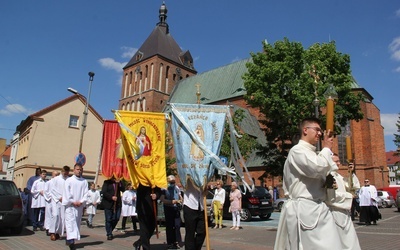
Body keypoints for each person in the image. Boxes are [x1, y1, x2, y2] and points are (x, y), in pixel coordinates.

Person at [274, 117, 341, 250]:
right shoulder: (297, 151)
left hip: (318, 208)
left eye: (320, 131)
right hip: (305, 208)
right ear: (305, 130)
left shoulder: (312, 153)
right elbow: (316, 168)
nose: (320, 133)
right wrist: (327, 149)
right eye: (317, 130)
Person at [325, 153, 361, 250]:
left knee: (350, 242)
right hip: (334, 212)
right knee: (339, 242)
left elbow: (351, 187)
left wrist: (351, 173)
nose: (339, 163)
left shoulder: (338, 176)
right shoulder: (328, 176)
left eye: (339, 161)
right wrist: (349, 197)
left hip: (344, 213)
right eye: (336, 161)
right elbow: (330, 197)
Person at [62, 163, 88, 250]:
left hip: (79, 207)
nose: (79, 171)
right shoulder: (69, 180)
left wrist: (81, 202)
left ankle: (70, 238)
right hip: (70, 206)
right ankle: (71, 242)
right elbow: (66, 192)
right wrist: (72, 201)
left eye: (80, 169)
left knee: (76, 223)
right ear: (74, 170)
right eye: (77, 169)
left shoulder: (84, 181)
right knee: (70, 223)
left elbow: (86, 194)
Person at [133, 184, 161, 250]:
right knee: (144, 229)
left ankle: (138, 242)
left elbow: (159, 191)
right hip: (142, 208)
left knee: (152, 227)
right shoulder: (140, 182)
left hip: (152, 208)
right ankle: (146, 247)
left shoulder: (154, 182)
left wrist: (156, 195)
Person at [160, 175, 183, 249]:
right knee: (169, 226)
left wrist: (180, 201)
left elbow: (180, 196)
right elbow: (162, 199)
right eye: (171, 182)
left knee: (177, 226)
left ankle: (177, 241)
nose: (172, 183)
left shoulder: (177, 188)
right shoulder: (164, 188)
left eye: (173, 182)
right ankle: (170, 242)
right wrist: (171, 201)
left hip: (176, 209)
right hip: (168, 208)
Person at [182, 179, 206, 250]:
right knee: (190, 233)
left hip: (200, 207)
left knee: (202, 232)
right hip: (190, 206)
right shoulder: (188, 175)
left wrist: (205, 189)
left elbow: (204, 191)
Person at [49, 165, 70, 241]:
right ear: (62, 171)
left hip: (64, 201)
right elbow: (52, 189)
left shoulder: (68, 179)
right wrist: (59, 197)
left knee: (62, 217)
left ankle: (58, 232)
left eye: (67, 172)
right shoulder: (56, 179)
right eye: (64, 172)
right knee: (55, 215)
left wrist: (66, 198)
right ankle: (52, 232)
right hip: (56, 200)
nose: (66, 173)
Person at [44, 171, 59, 236]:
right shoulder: (48, 182)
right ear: (52, 175)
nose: (56, 176)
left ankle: (53, 229)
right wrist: (50, 196)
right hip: (49, 200)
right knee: (48, 214)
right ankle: (47, 228)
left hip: (56, 201)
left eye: (57, 175)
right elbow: (45, 191)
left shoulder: (58, 183)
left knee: (55, 215)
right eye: (55, 175)